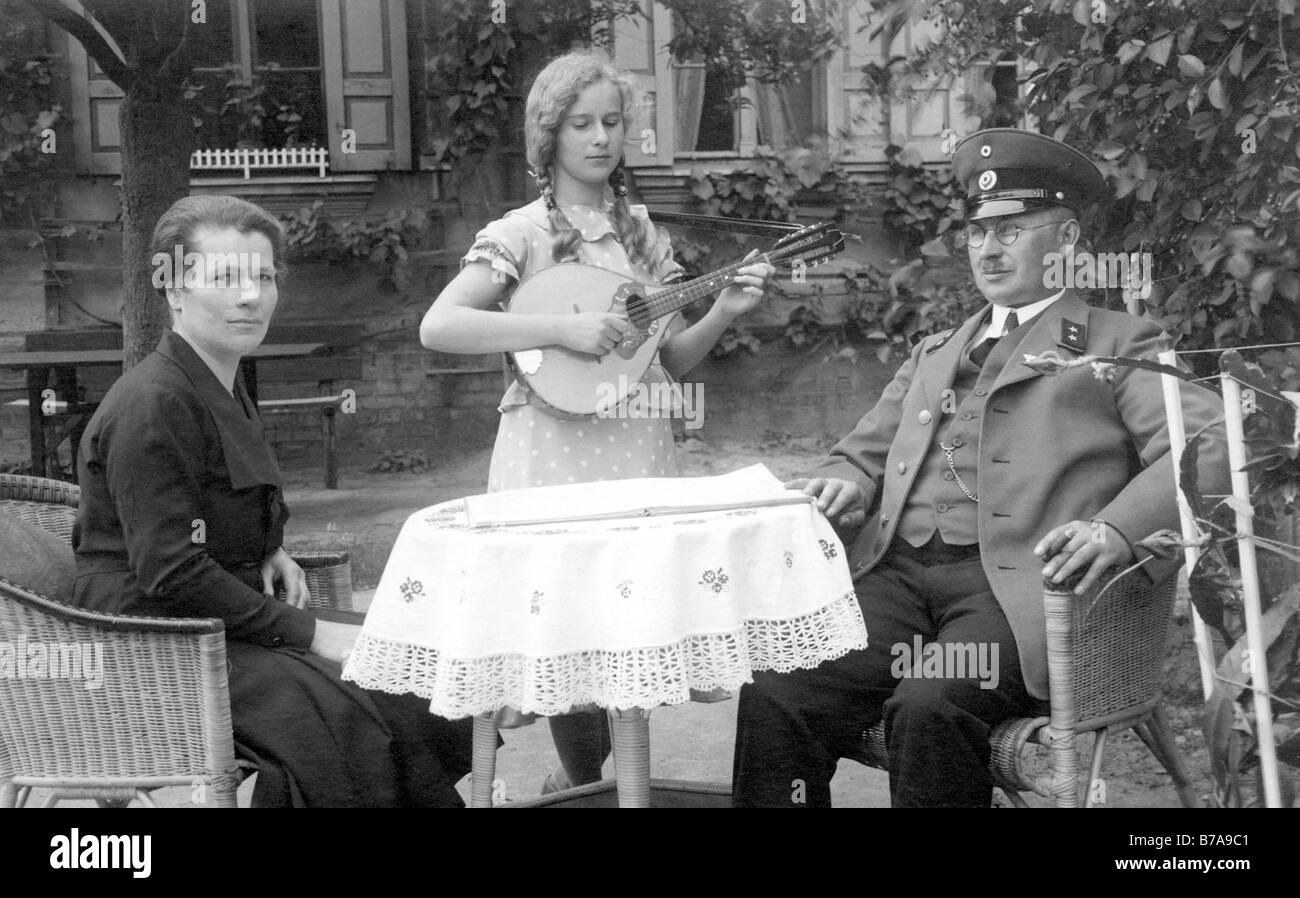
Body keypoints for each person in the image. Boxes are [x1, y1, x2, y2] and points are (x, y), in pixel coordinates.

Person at [731, 128, 1230, 807]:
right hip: (895, 578)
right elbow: (860, 453)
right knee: (777, 687)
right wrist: (845, 479)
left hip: (1019, 592)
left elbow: (1211, 443)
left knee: (929, 705)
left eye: (1012, 230)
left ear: (1067, 239)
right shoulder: (935, 352)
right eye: (976, 232)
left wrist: (1116, 529)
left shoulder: (1118, 344)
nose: (988, 250)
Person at [420, 50, 774, 792]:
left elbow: (666, 360)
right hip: (550, 450)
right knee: (566, 629)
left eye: (612, 121)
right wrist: (560, 329)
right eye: (581, 123)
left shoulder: (642, 235)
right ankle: (583, 786)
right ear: (548, 135)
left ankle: (607, 787)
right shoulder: (519, 233)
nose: (600, 137)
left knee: (627, 630)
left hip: (636, 443)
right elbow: (440, 325)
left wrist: (723, 310)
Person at [72, 194, 475, 807]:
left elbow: (217, 500)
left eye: (263, 277)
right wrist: (310, 633)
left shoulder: (219, 379)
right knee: (345, 712)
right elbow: (169, 569)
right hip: (151, 638)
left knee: (413, 658)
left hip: (214, 617)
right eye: (225, 278)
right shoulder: (153, 403)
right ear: (175, 290)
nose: (250, 296)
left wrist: (268, 546)